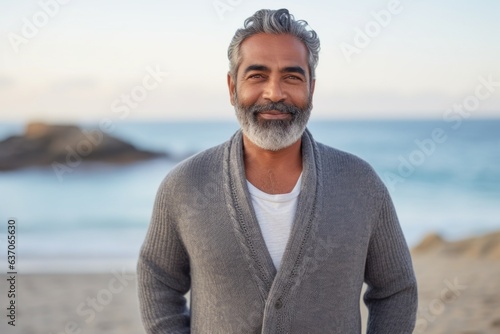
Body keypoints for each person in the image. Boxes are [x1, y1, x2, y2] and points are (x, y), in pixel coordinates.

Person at [137, 8, 418, 334]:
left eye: (292, 77)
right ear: (232, 87)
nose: (274, 93)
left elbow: (396, 289)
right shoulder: (185, 185)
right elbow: (157, 278)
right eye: (257, 76)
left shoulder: (360, 184)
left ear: (311, 88)